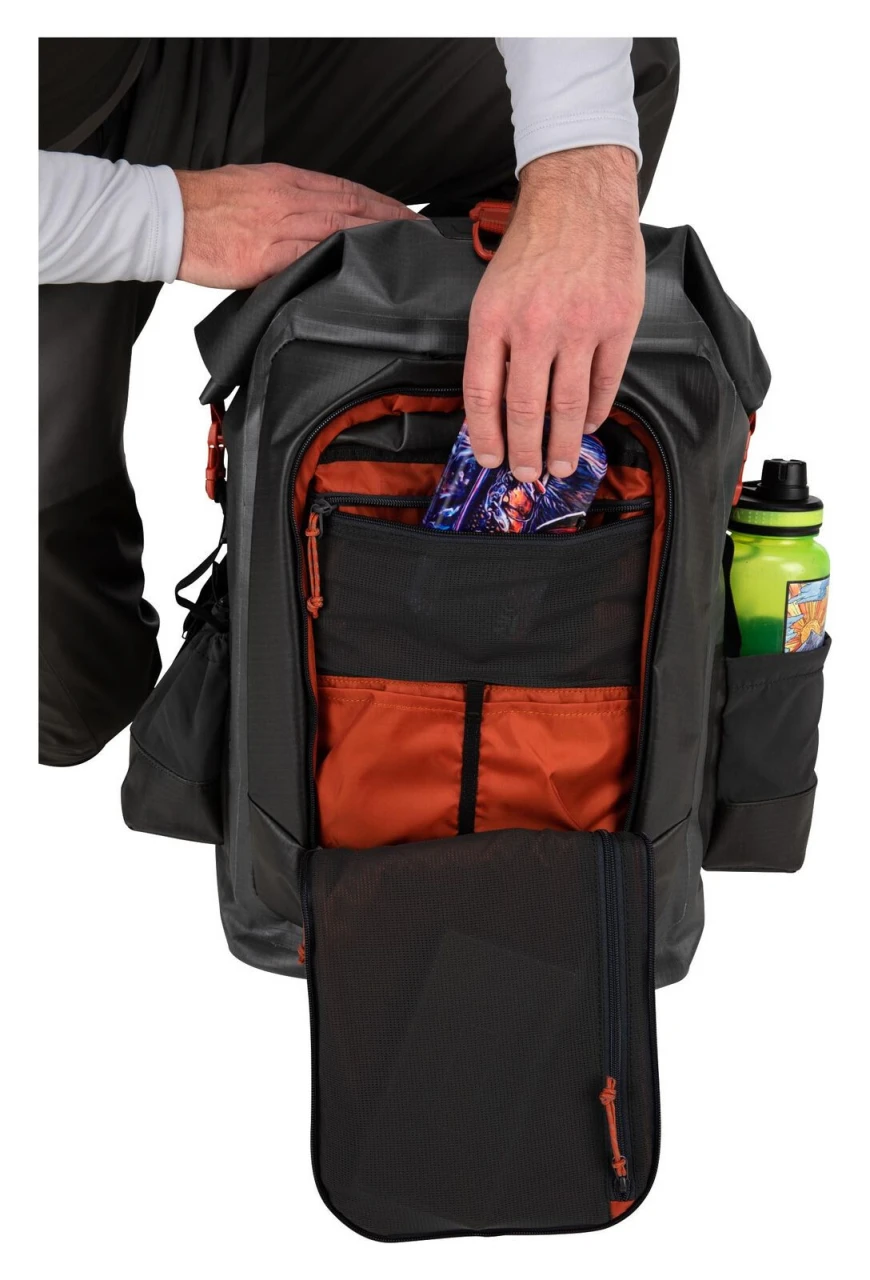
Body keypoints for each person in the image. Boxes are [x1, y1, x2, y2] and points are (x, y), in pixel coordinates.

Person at [38, 36, 679, 766]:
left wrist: (578, 165)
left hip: (149, 47)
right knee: (65, 700)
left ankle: (395, 498)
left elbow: (579, 117)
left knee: (612, 89)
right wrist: (169, 217)